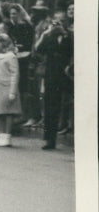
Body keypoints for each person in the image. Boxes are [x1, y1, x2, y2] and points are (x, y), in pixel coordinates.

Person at [37, 8, 73, 150]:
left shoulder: (70, 35)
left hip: (68, 75)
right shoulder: (49, 36)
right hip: (52, 75)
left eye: (62, 21)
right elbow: (38, 49)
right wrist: (46, 33)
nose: (59, 24)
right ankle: (49, 140)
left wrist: (64, 34)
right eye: (57, 21)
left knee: (72, 105)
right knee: (50, 106)